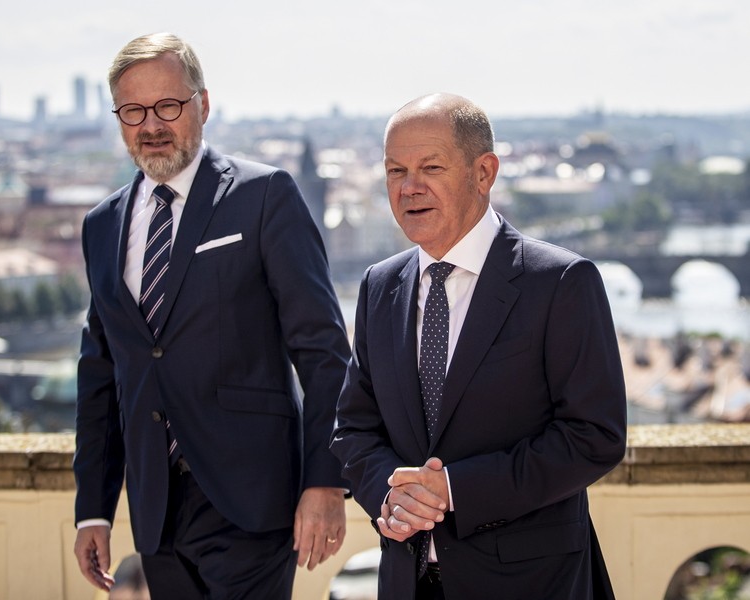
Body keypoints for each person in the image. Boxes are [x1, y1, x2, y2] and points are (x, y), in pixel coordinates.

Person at [73, 32, 351, 600]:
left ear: (202, 104)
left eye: (168, 105)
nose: (151, 125)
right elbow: (101, 376)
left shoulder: (264, 195)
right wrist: (92, 510)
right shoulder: (101, 226)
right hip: (155, 512)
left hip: (253, 500)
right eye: (133, 111)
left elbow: (324, 352)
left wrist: (325, 479)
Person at [330, 93, 627, 599]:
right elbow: (354, 429)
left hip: (530, 585)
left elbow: (594, 435)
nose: (409, 187)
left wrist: (454, 490)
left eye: (431, 167)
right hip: (407, 582)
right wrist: (392, 494)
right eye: (395, 171)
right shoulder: (379, 286)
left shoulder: (560, 282)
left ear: (484, 172)